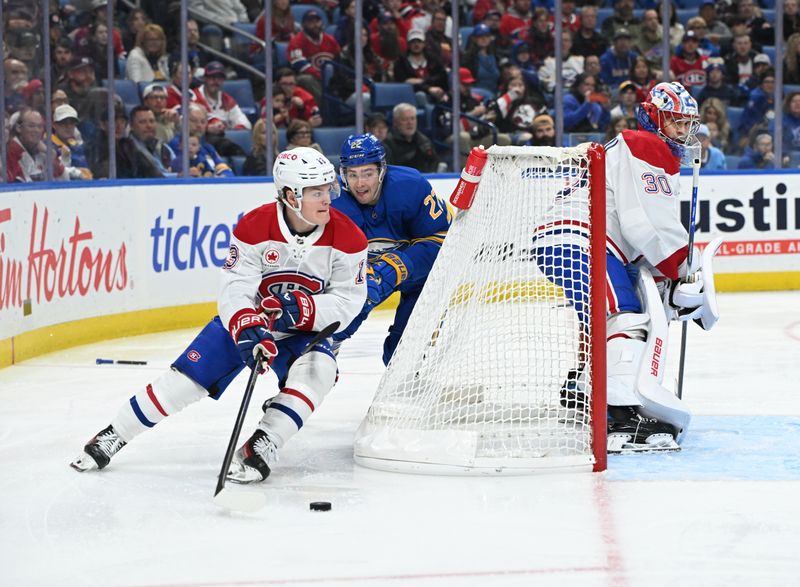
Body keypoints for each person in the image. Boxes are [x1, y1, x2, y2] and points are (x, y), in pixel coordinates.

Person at [71, 148, 368, 483]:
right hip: (252, 323)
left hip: (303, 331)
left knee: (320, 371)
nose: (328, 198)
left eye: (329, 189)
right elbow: (235, 286)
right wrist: (246, 325)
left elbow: (349, 300)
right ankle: (115, 433)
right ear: (289, 195)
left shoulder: (349, 237)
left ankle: (264, 442)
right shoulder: (255, 225)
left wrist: (302, 310)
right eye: (317, 192)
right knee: (184, 382)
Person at [533, 81, 722, 453]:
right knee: (625, 315)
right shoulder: (644, 145)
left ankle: (584, 386)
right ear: (653, 119)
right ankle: (619, 413)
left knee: (608, 314)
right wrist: (682, 269)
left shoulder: (639, 149)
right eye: (674, 122)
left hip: (579, 238)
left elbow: (635, 228)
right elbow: (647, 224)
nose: (683, 132)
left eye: (687, 124)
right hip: (581, 239)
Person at [331, 133, 451, 365]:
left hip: (421, 279)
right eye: (352, 175)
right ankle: (329, 345)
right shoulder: (333, 201)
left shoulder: (410, 186)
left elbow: (445, 240)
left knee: (401, 357)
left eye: (367, 173)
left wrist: (396, 267)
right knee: (358, 297)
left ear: (382, 170)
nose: (359, 184)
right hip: (367, 278)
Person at [383, 102, 441, 173]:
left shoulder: (423, 140)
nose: (410, 123)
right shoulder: (388, 143)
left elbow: (434, 162)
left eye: (412, 118)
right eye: (405, 119)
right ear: (395, 122)